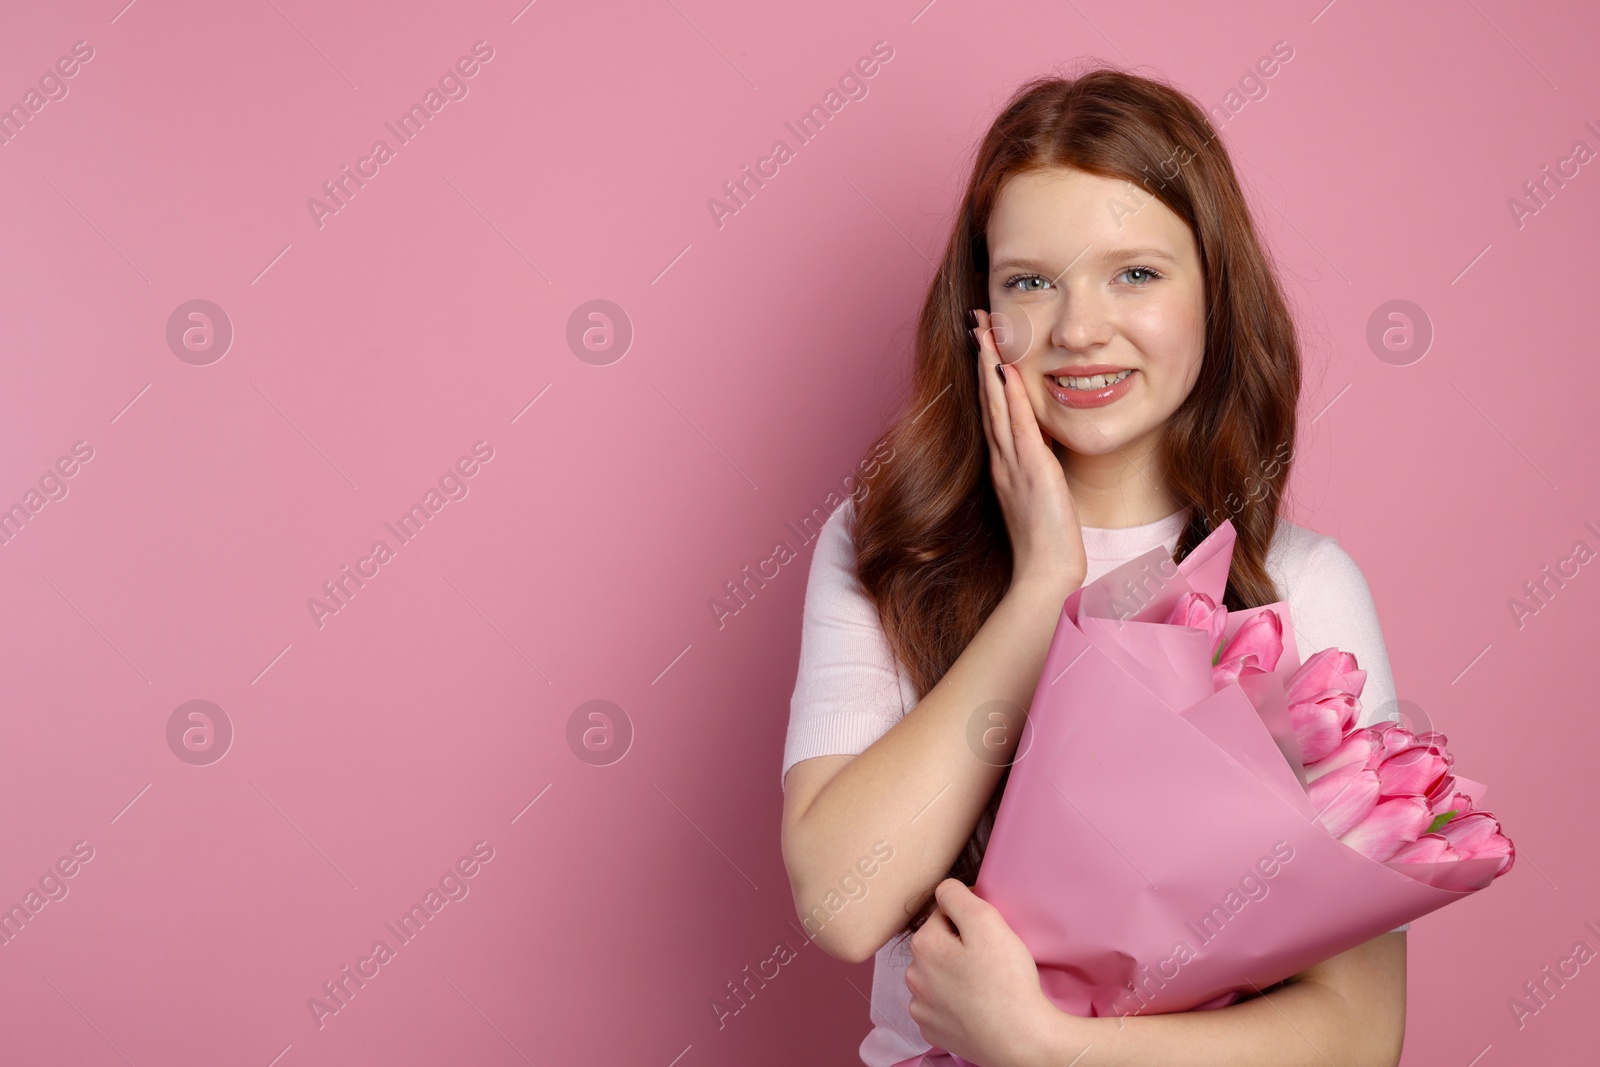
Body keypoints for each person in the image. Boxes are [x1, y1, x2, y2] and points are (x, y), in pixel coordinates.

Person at [779, 66, 1408, 1067]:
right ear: (978, 311)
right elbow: (844, 902)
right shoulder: (886, 546)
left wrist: (1035, 1042)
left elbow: (1358, 1031)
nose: (1077, 329)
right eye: (1030, 280)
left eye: (1135, 273)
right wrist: (1039, 587)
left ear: (1215, 290)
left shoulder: (1303, 585)